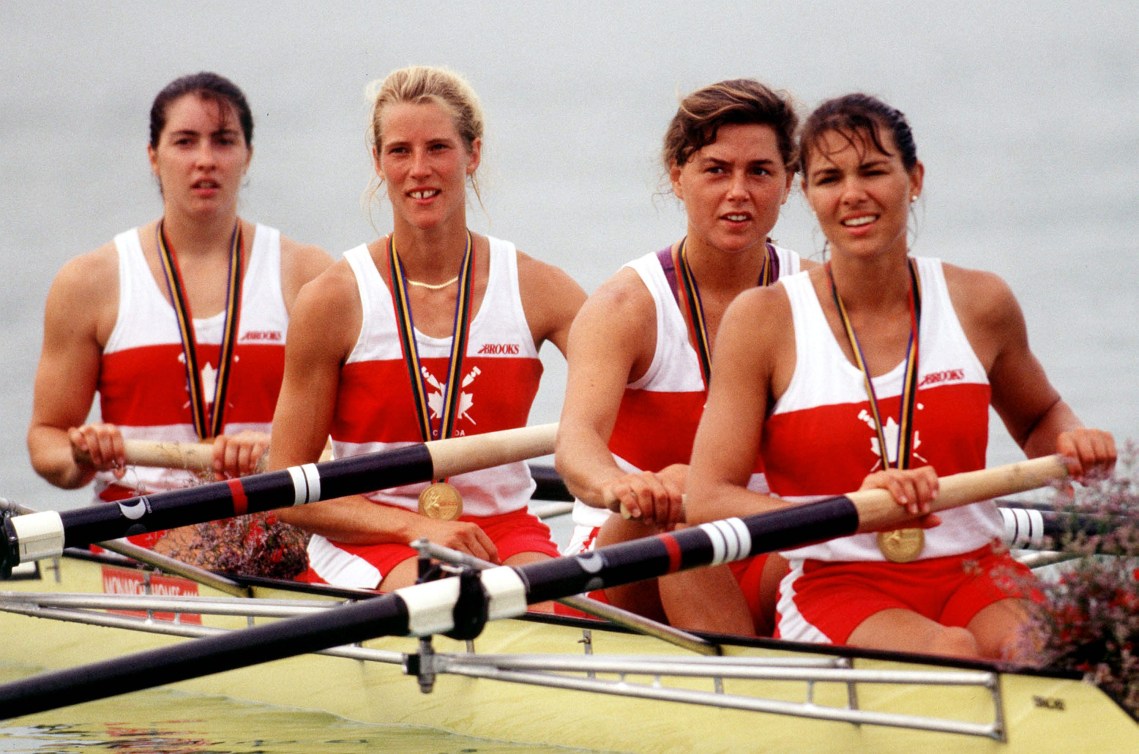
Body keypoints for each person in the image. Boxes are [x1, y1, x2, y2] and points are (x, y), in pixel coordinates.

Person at [685, 93, 1116, 659]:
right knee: (951, 652)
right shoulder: (764, 321)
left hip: (976, 571)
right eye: (829, 178)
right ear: (808, 195)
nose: (853, 194)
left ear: (914, 178)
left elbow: (1039, 415)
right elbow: (707, 498)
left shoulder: (980, 302)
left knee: (1055, 653)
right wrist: (848, 509)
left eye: (873, 171)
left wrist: (1072, 441)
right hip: (837, 585)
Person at [268, 65, 585, 593]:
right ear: (378, 162)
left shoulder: (538, 288)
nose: (419, 169)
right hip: (373, 532)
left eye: (438, 148)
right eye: (400, 151)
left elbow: (636, 392)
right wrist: (418, 526)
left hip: (503, 529)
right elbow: (285, 488)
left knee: (541, 610)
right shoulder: (333, 299)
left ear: (472, 154)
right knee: (439, 599)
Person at [26, 72, 332, 567]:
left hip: (273, 533)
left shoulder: (309, 275)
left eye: (223, 141)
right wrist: (82, 455)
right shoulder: (89, 282)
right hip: (136, 532)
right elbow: (46, 440)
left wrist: (281, 448)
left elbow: (349, 439)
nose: (205, 160)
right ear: (153, 155)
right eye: (185, 142)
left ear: (247, 155)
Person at [554, 79, 809, 635]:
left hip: (759, 546)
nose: (738, 191)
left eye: (759, 172)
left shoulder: (817, 297)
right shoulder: (626, 307)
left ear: (789, 182)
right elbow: (576, 443)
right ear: (677, 176)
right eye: (716, 170)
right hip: (630, 558)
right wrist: (618, 487)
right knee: (677, 491)